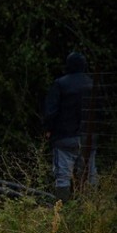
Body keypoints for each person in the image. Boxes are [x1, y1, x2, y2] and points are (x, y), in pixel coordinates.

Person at [42, 52, 97, 202]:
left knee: (63, 176)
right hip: (88, 139)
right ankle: (90, 210)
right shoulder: (92, 84)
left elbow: (51, 111)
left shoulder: (60, 84)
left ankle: (62, 210)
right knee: (89, 175)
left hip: (64, 138)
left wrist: (48, 129)